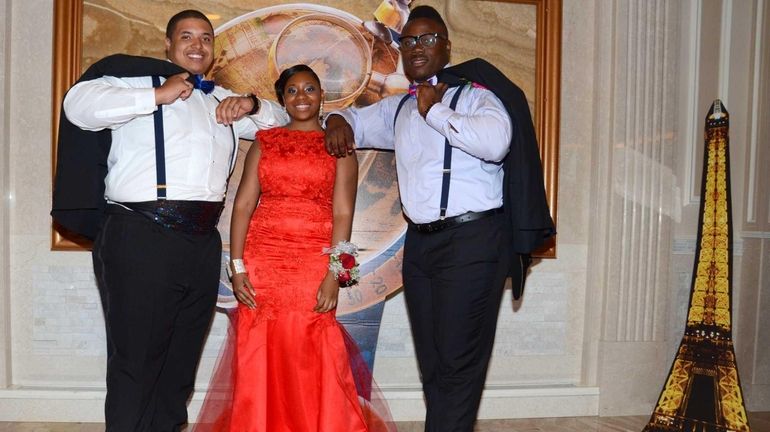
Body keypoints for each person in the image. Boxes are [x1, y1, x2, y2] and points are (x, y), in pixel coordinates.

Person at [324, 5, 554, 432]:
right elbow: (353, 119)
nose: (417, 47)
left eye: (428, 39)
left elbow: (495, 142)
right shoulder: (400, 109)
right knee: (433, 361)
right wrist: (338, 118)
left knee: (459, 362)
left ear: (446, 47)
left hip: (473, 241)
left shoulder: (476, 95)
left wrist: (436, 111)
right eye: (409, 40)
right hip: (421, 246)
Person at [56, 9, 288, 431]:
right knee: (136, 363)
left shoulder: (221, 98)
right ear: (167, 44)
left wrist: (252, 102)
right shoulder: (132, 82)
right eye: (187, 36)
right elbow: (78, 105)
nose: (197, 45)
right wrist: (155, 97)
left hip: (201, 241)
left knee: (179, 367)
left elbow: (285, 121)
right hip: (140, 234)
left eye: (205, 38)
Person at [194, 65, 394, 432]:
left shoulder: (339, 146)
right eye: (292, 91)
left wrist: (336, 274)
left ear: (322, 97)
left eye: (310, 89)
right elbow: (242, 206)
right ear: (282, 99)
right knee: (259, 346)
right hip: (263, 261)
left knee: (311, 346)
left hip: (311, 263)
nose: (301, 96)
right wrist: (237, 268)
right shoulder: (265, 142)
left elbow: (344, 213)